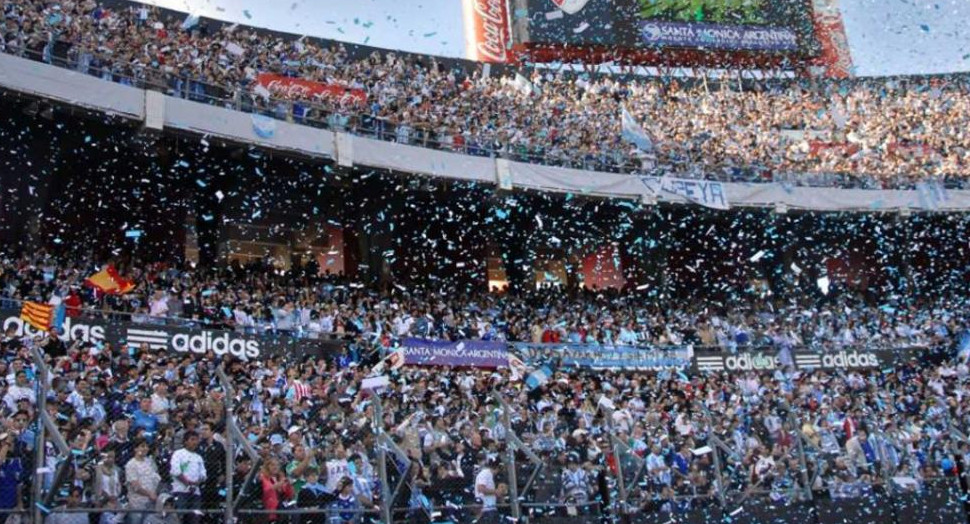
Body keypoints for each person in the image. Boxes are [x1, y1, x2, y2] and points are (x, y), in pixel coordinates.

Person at [169, 431, 206, 524]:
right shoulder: (178, 454)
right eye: (192, 439)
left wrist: (197, 482)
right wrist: (187, 483)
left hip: (195, 493)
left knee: (195, 519)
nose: (195, 442)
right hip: (180, 491)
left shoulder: (199, 457)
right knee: (179, 518)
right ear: (185, 441)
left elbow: (203, 474)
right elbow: (175, 470)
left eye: (197, 440)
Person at [125, 438, 161, 524]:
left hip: (151, 502)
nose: (145, 448)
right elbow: (135, 486)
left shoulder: (150, 462)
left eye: (146, 446)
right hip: (137, 504)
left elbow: (156, 478)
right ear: (135, 449)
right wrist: (150, 494)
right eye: (142, 446)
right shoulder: (131, 464)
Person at [258, 458, 294, 522]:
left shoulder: (280, 477)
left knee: (295, 508)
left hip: (283, 504)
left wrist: (289, 485)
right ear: (267, 466)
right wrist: (280, 483)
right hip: (271, 505)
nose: (275, 467)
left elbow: (290, 495)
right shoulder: (264, 478)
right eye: (273, 465)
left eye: (277, 465)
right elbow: (268, 490)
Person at [474, 456, 506, 524]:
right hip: (486, 508)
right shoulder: (485, 473)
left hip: (491, 507)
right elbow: (480, 488)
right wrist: (496, 491)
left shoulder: (490, 475)